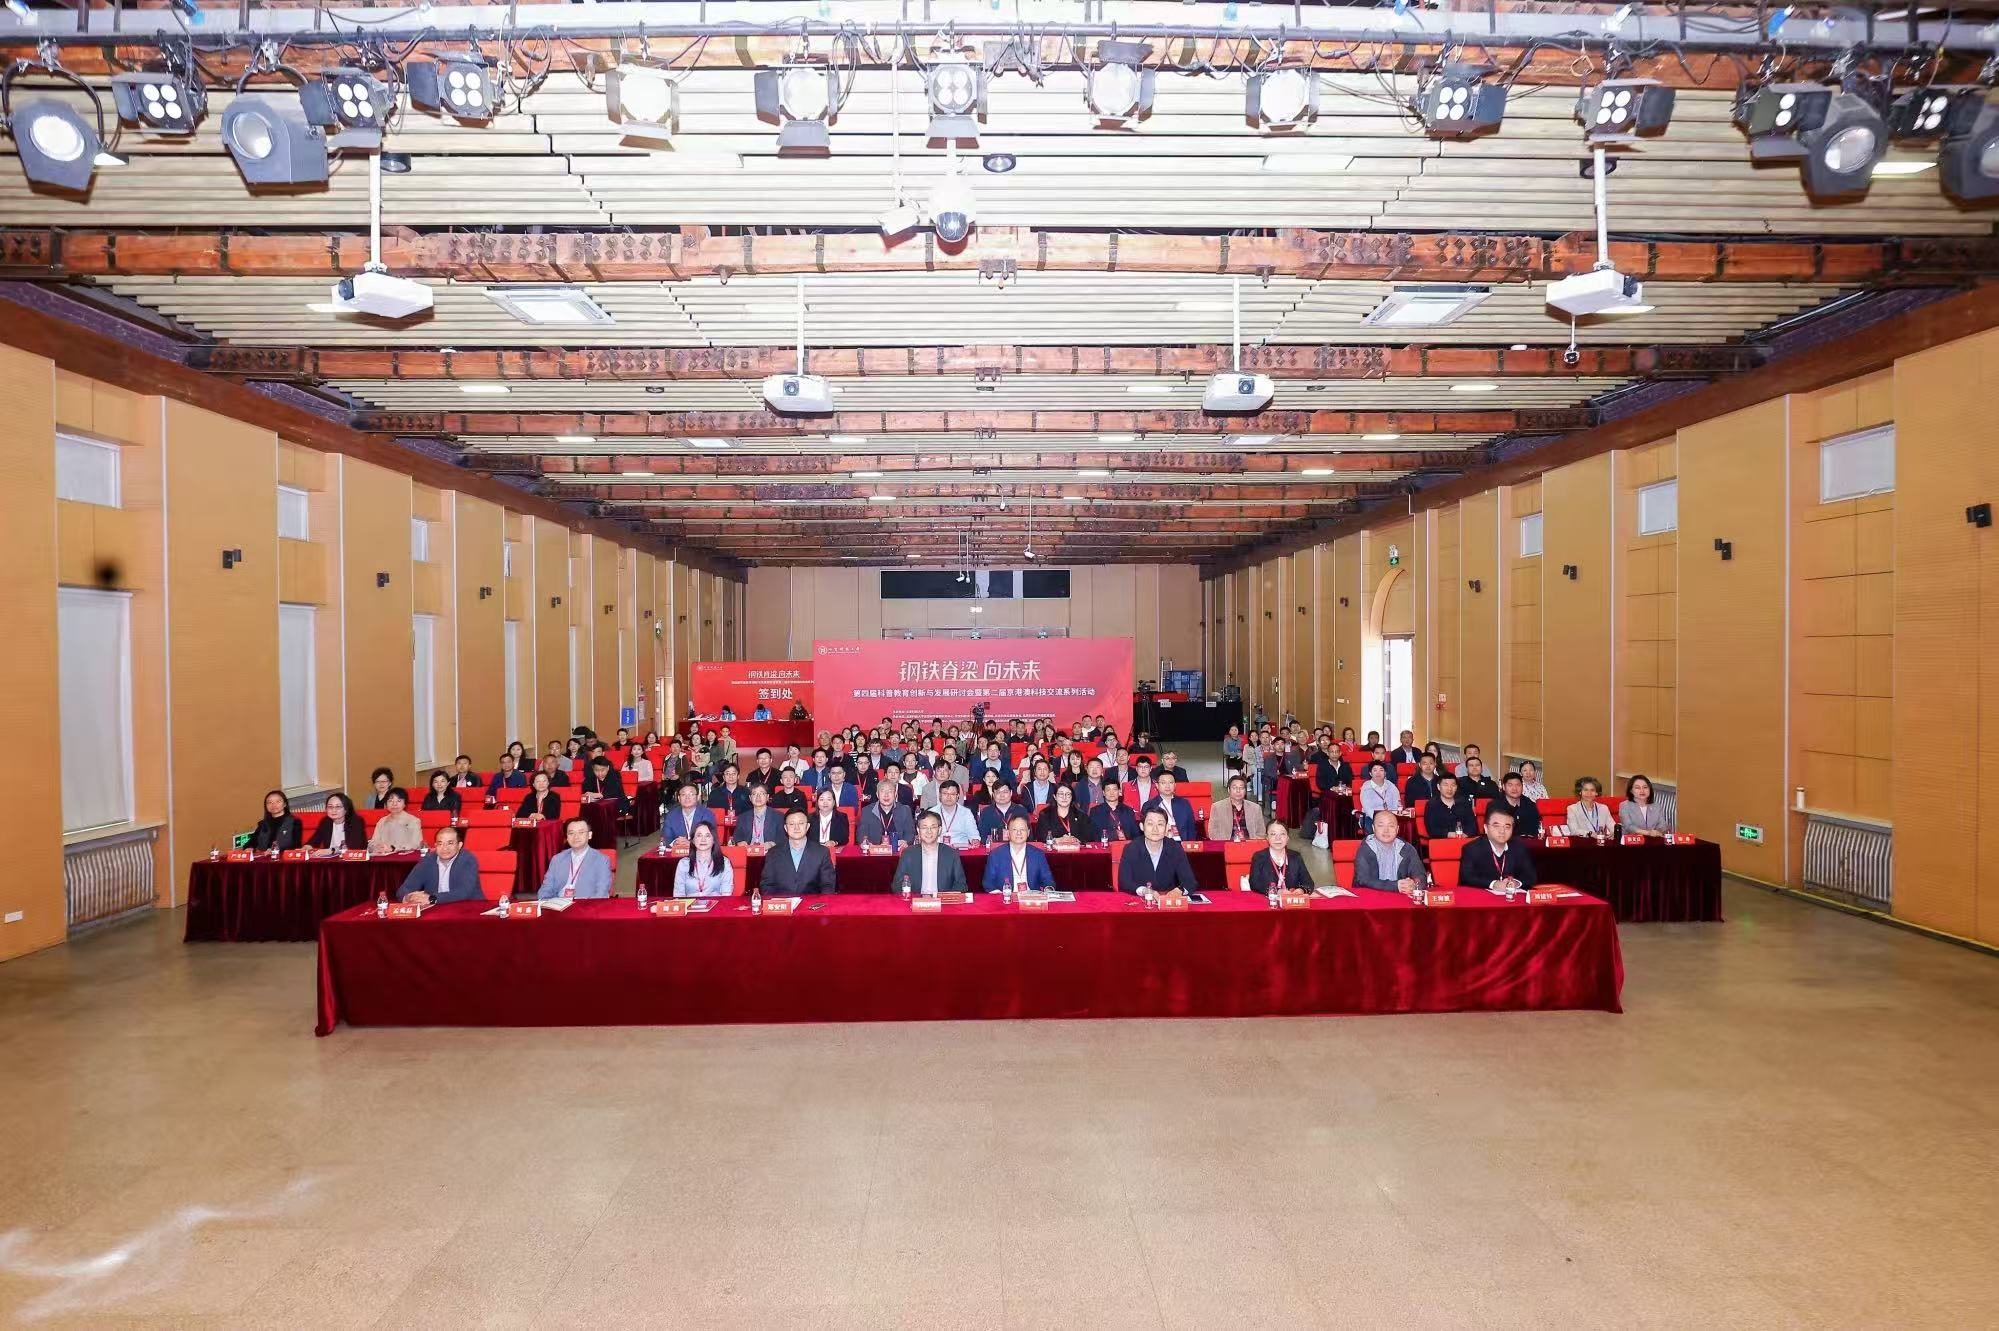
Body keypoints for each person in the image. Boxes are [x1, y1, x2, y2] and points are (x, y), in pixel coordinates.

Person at [395, 825, 484, 906]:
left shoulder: (467, 859)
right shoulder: (427, 860)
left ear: (459, 845)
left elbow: (464, 892)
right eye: (440, 844)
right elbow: (405, 888)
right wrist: (409, 897)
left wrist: (432, 898)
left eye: (450, 843)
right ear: (435, 845)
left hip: (468, 907)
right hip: (436, 908)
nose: (444, 848)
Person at [1118, 808, 1199, 895]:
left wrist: (1180, 890)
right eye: (1150, 824)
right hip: (1140, 900)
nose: (1155, 829)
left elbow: (1190, 882)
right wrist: (1144, 891)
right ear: (1142, 826)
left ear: (1167, 828)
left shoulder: (1175, 848)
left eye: (1160, 824)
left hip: (1167, 899)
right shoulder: (1131, 849)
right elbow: (1124, 882)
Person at [890, 810, 970, 898]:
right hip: (916, 902)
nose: (929, 831)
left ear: (939, 830)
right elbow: (897, 885)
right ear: (918, 830)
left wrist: (944, 898)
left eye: (933, 827)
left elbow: (961, 885)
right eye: (924, 827)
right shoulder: (908, 854)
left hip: (943, 903)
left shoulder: (951, 854)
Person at [1459, 806, 1538, 892]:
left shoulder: (1519, 847)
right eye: (1496, 826)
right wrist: (1494, 884)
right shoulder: (1472, 849)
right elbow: (1466, 878)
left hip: (1511, 897)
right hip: (1483, 897)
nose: (1502, 831)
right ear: (1486, 828)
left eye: (1507, 827)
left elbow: (1531, 876)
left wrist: (1516, 883)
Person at [761, 809, 837, 895]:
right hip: (783, 902)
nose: (796, 828)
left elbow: (827, 885)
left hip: (812, 902)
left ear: (807, 826)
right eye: (792, 824)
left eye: (801, 823)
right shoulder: (773, 853)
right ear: (785, 828)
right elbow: (767, 885)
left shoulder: (821, 852)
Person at [1352, 808, 1426, 895]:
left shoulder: (1407, 848)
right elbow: (1362, 880)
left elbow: (1420, 876)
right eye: (1381, 825)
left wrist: (1414, 885)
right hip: (1370, 897)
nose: (1386, 830)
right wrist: (1395, 886)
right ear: (1373, 828)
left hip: (1399, 897)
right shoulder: (1366, 848)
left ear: (1397, 829)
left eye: (1391, 826)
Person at [537, 817, 614, 899]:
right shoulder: (557, 859)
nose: (576, 837)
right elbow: (545, 889)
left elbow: (602, 893)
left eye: (581, 832)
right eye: (571, 833)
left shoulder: (602, 860)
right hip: (558, 903)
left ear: (589, 835)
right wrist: (546, 902)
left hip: (585, 904)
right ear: (567, 837)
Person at [982, 813, 1057, 894]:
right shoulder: (995, 855)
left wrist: (1048, 890)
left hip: (1031, 898)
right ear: (1008, 833)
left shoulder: (1038, 854)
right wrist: (1001, 896)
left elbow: (1048, 880)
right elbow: (988, 883)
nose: (1019, 833)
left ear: (1028, 833)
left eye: (1022, 830)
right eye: (1014, 830)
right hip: (1006, 897)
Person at [1247, 821, 1314, 894]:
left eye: (1282, 834)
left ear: (1287, 837)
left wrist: (1301, 890)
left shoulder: (1295, 857)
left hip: (1291, 900)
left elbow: (1308, 883)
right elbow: (1254, 884)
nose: (1278, 838)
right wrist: (1277, 891)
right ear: (1267, 838)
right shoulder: (1259, 857)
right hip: (1268, 899)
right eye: (1273, 834)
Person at [672, 822, 735, 898]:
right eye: (699, 835)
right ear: (693, 840)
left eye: (707, 836)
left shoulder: (724, 862)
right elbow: (678, 895)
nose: (703, 840)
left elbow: (726, 896)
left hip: (716, 904)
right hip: (689, 905)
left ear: (714, 840)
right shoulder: (683, 863)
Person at [859, 778, 916, 850]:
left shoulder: (904, 810)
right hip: (874, 852)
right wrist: (865, 842)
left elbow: (910, 833)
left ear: (895, 794)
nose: (886, 795)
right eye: (882, 791)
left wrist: (906, 841)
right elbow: (862, 833)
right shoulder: (867, 811)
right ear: (877, 794)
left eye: (890, 791)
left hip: (898, 852)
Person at [1142, 771, 1201, 841]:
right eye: (1163, 783)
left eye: (1171, 782)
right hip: (1159, 843)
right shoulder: (1149, 805)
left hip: (1181, 842)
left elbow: (1191, 828)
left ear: (1175, 785)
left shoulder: (1184, 803)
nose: (1167, 786)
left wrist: (1189, 845)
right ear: (1157, 785)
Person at [1423, 774, 1479, 840]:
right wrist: (1449, 834)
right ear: (1438, 787)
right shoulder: (1432, 805)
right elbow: (1432, 830)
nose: (1449, 789)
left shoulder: (1464, 802)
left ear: (1456, 787)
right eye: (1445, 785)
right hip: (1442, 841)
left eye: (1453, 785)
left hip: (1464, 839)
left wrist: (1466, 834)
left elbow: (1473, 825)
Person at [1215, 774, 1267, 842]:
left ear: (1245, 791)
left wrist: (1249, 842)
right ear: (1228, 790)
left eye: (1241, 788)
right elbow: (1213, 833)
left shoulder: (1256, 808)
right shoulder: (1217, 807)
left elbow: (1261, 832)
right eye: (1234, 788)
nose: (1238, 791)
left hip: (1249, 844)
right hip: (1227, 844)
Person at [928, 780, 981, 848]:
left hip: (960, 850)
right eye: (945, 793)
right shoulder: (931, 813)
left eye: (952, 794)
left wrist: (975, 840)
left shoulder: (966, 813)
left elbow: (973, 834)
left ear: (958, 796)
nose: (949, 797)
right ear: (940, 795)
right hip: (937, 849)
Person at [1491, 772, 1543, 838]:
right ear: (1504, 787)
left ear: (1522, 786)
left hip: (1527, 841)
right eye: (1510, 785)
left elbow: (1537, 827)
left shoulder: (1529, 804)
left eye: (1518, 785)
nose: (1514, 788)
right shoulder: (1495, 806)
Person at [733, 783, 781, 848]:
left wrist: (772, 844)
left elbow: (783, 838)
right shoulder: (742, 817)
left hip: (770, 852)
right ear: (750, 798)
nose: (758, 797)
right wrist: (740, 842)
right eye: (754, 794)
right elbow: (737, 837)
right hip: (748, 851)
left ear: (767, 797)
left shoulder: (778, 816)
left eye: (762, 793)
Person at [1358, 761, 1402, 825]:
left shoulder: (1391, 786)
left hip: (1389, 816)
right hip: (1370, 817)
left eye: (1381, 770)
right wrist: (1379, 819)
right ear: (1370, 773)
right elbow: (1367, 808)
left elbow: (1396, 803)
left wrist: (1391, 816)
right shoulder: (1366, 787)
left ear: (1385, 773)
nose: (1378, 773)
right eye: (1375, 770)